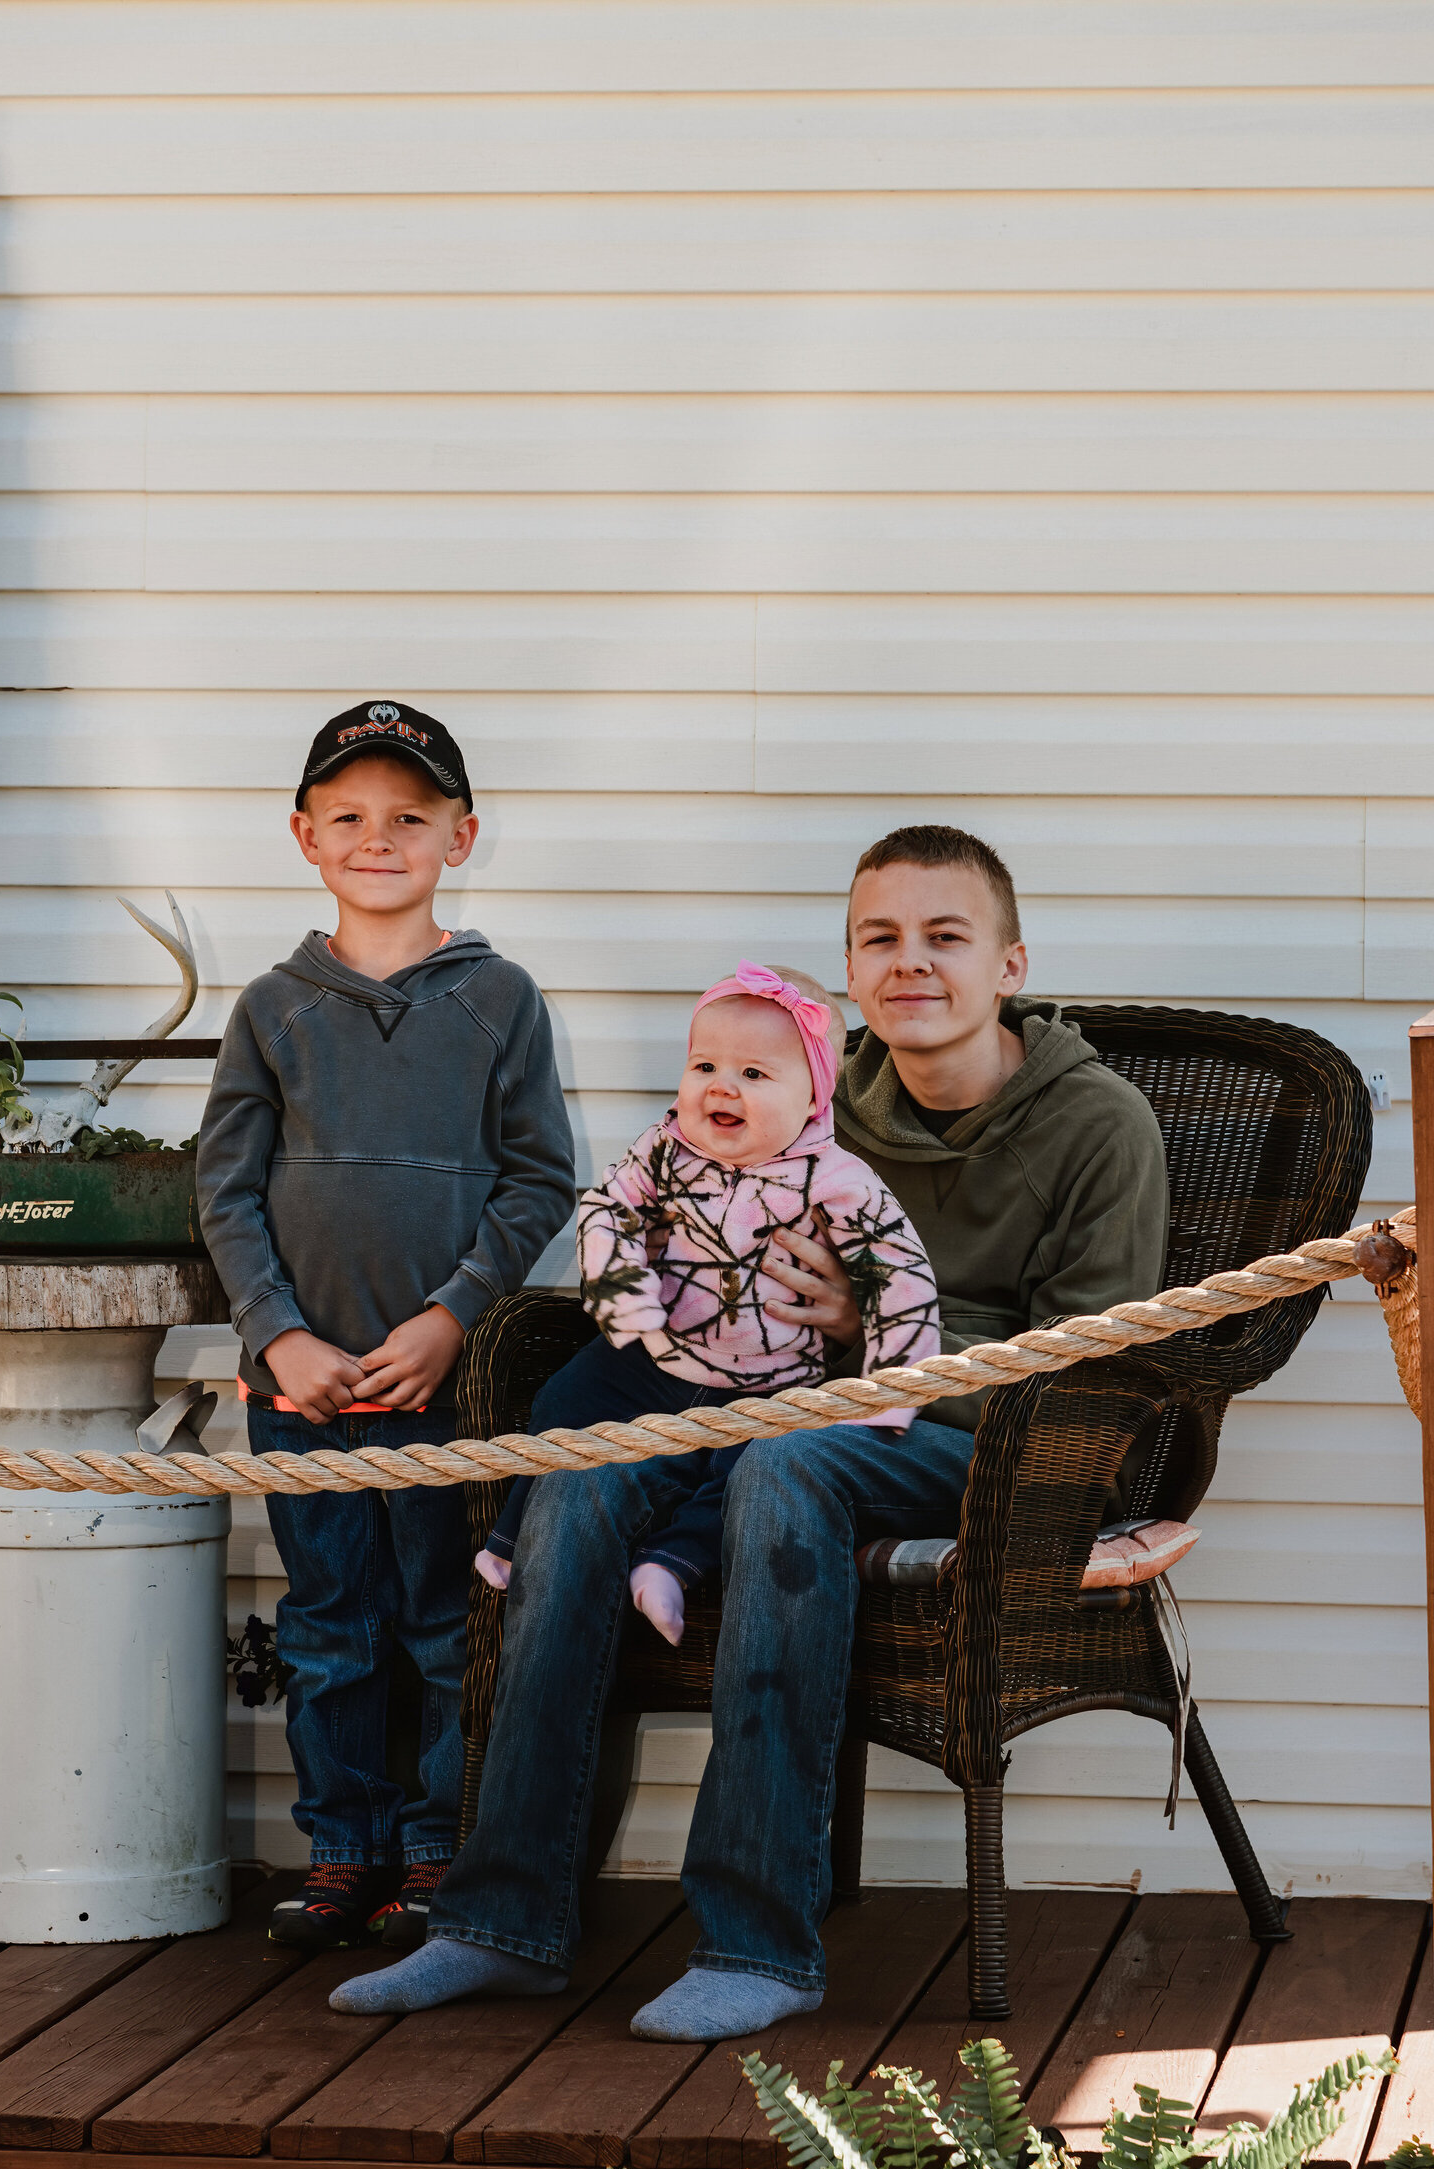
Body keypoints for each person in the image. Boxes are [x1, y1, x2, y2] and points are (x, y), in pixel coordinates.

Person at [329, 823, 1167, 2035]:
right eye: (879, 938)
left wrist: (860, 1349)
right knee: (581, 1476)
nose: (911, 963)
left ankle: (758, 1942)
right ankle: (500, 1920)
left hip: (999, 1447)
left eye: (946, 937)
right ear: (849, 965)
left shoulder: (1098, 1126)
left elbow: (1096, 1360)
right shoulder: (815, 1097)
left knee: (786, 1469)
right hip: (773, 1410)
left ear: (1010, 964)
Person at [196, 701, 577, 1953]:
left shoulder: (500, 999)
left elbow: (535, 1179)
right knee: (326, 1626)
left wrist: (451, 1321)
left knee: (433, 1622)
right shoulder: (270, 1008)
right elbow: (228, 1189)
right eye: (350, 816)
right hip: (299, 1390)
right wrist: (276, 1335)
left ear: (460, 837)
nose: (379, 837)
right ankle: (342, 1845)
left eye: (409, 817)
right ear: (304, 836)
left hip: (440, 1389)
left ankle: (429, 1844)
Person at [475, 960, 938, 1646]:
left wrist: (889, 1396)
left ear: (815, 1096)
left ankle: (669, 1567)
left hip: (770, 1379)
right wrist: (623, 1292)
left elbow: (902, 1281)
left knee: (742, 1477)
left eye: (755, 1074)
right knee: (563, 1400)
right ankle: (510, 1537)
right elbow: (609, 1209)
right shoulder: (667, 1147)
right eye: (705, 1066)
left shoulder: (839, 1182)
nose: (722, 1085)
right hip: (654, 1355)